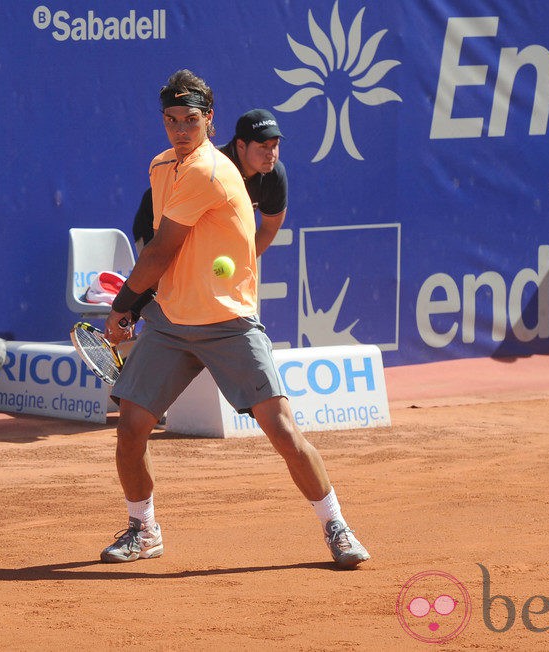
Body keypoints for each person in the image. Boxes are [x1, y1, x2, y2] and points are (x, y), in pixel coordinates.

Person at [100, 69, 370, 570]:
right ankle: (143, 528)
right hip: (174, 321)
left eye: (191, 120)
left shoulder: (208, 169)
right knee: (133, 427)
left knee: (283, 430)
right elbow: (164, 244)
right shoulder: (162, 166)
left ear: (210, 121)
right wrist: (146, 304)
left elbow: (162, 248)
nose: (181, 130)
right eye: (172, 120)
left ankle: (336, 525)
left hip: (228, 321)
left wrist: (124, 307)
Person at [131, 108, 288, 257]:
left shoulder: (274, 175)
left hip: (196, 228)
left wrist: (245, 261)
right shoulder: (211, 169)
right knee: (160, 282)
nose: (271, 154)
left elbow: (269, 227)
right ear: (241, 145)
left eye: (275, 146)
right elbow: (181, 232)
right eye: (263, 146)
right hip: (155, 219)